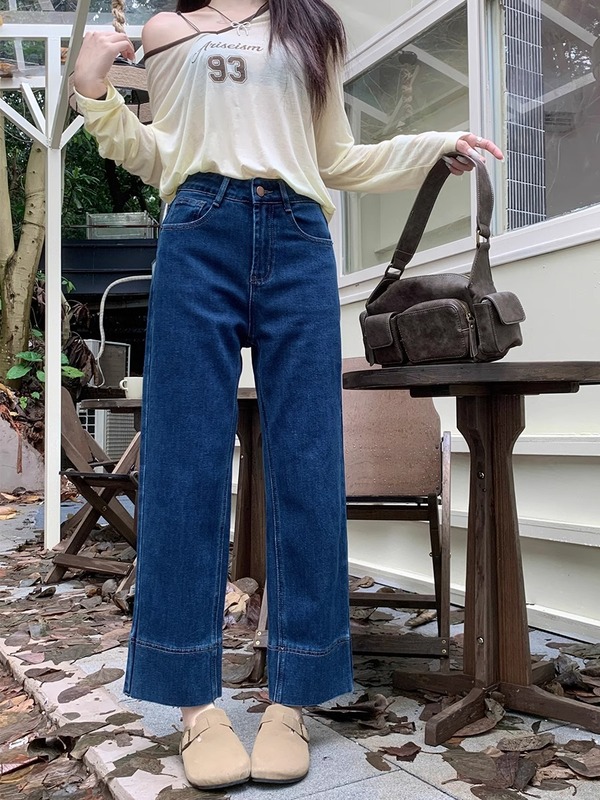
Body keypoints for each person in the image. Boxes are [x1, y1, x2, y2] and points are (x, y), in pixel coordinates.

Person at [73, 0, 503, 790]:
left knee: (309, 463)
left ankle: (293, 699)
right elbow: (157, 154)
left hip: (300, 237)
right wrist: (92, 93)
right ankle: (194, 704)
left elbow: (335, 156)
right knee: (184, 464)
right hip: (197, 229)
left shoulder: (314, 26)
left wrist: (432, 146)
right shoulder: (169, 31)